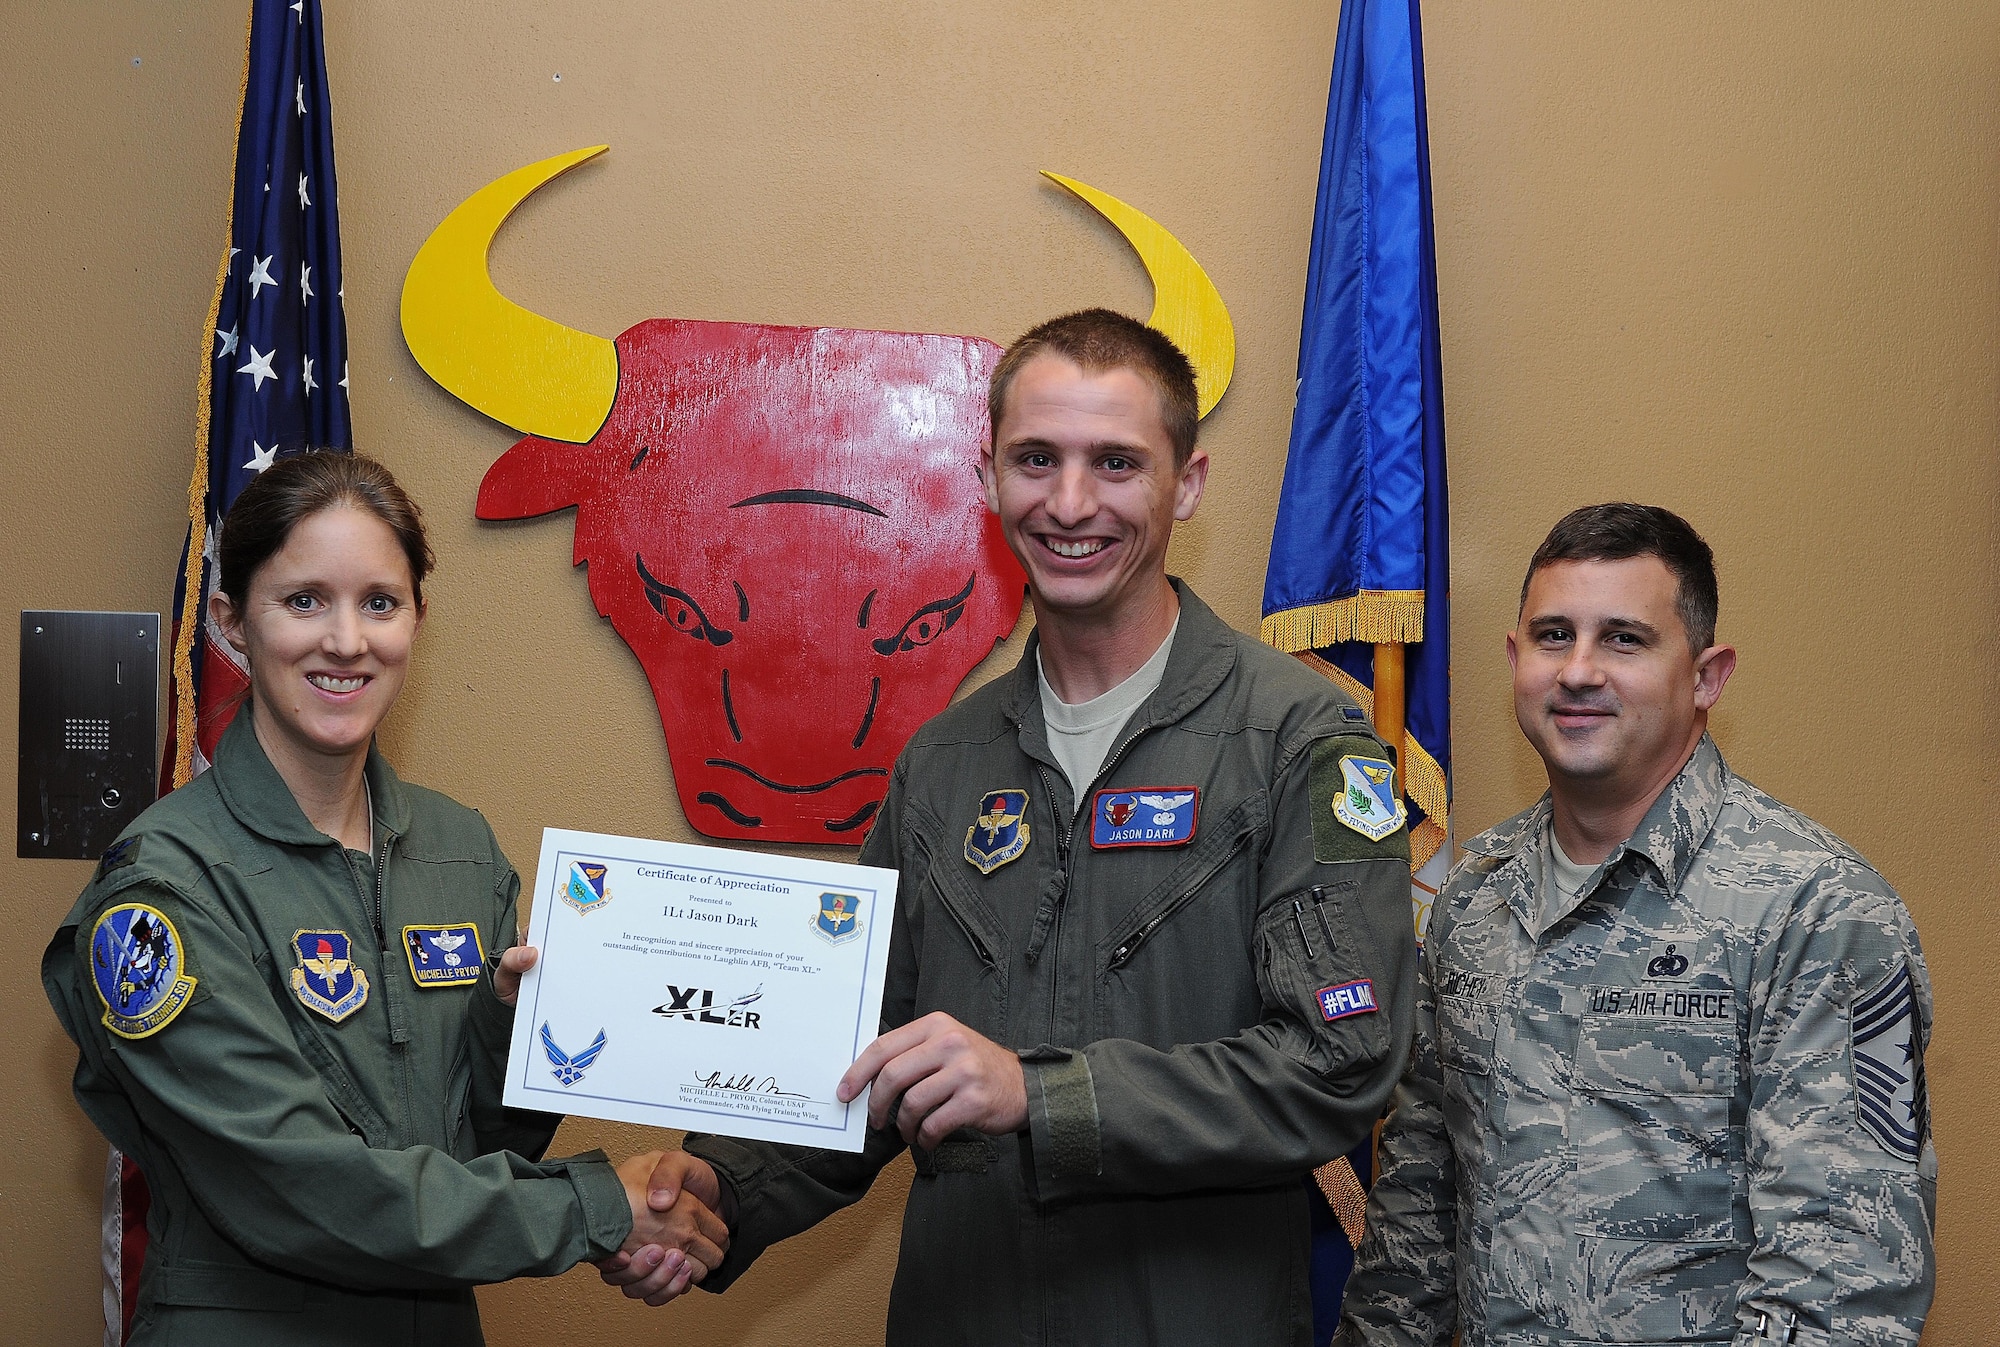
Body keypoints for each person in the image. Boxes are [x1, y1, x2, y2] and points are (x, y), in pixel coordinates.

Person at [603, 309, 1420, 1343]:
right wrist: (716, 1190)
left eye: (1115, 463)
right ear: (986, 477)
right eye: (1036, 459)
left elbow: (1335, 1065)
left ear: (1189, 483)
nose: (1070, 502)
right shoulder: (941, 764)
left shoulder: (1297, 740)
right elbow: (860, 1057)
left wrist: (1038, 1096)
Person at [43, 452, 727, 1346]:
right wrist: (601, 1206)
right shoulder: (163, 889)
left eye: (378, 601)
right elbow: (300, 1187)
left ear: (416, 620)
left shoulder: (459, 851)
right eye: (302, 600)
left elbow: (480, 1151)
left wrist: (511, 1026)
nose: (346, 640)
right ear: (231, 622)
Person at [1334, 504, 1937, 1347]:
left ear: (1707, 675)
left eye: (1624, 639)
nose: (1579, 671)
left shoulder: (1817, 911)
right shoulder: (1474, 897)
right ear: (1515, 659)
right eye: (1552, 635)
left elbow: (1841, 1286)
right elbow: (1417, 1216)